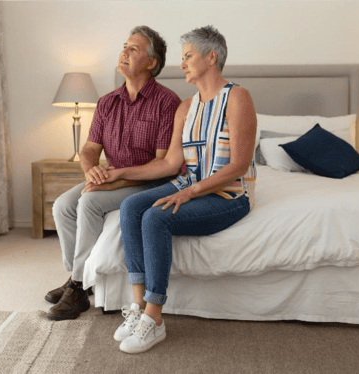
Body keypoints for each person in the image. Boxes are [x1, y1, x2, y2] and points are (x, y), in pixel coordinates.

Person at [101, 25, 257, 354]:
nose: (182, 64)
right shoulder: (186, 108)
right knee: (131, 207)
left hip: (228, 195)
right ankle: (139, 306)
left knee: (156, 218)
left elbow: (239, 165)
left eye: (188, 56)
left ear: (211, 57)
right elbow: (171, 164)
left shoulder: (237, 97)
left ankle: (155, 319)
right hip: (189, 184)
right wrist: (120, 173)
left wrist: (190, 192)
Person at [46, 26, 181, 321]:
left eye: (134, 49)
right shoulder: (107, 102)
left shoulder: (167, 102)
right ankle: (76, 276)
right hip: (112, 176)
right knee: (62, 206)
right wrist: (92, 172)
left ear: (152, 63)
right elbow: (89, 150)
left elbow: (161, 165)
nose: (124, 53)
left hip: (148, 181)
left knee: (89, 203)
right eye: (124, 46)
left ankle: (79, 288)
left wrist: (113, 179)